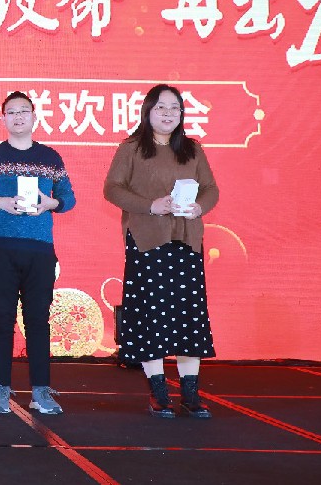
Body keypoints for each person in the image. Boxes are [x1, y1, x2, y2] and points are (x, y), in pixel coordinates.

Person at [103, 83, 219, 419]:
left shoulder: (192, 149)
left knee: (188, 316)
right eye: (161, 107)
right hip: (147, 241)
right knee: (150, 316)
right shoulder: (131, 148)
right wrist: (149, 205)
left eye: (174, 108)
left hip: (186, 241)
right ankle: (158, 392)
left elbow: (211, 188)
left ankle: (191, 394)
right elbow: (112, 188)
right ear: (148, 111)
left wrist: (199, 208)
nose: (168, 114)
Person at [0, 91, 75, 416]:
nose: (18, 116)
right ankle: (0, 390)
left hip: (40, 250)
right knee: (2, 319)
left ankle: (40, 391)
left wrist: (50, 203)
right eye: (11, 112)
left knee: (38, 320)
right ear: (3, 119)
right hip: (0, 248)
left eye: (24, 111)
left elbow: (68, 199)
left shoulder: (50, 157)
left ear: (34, 117)